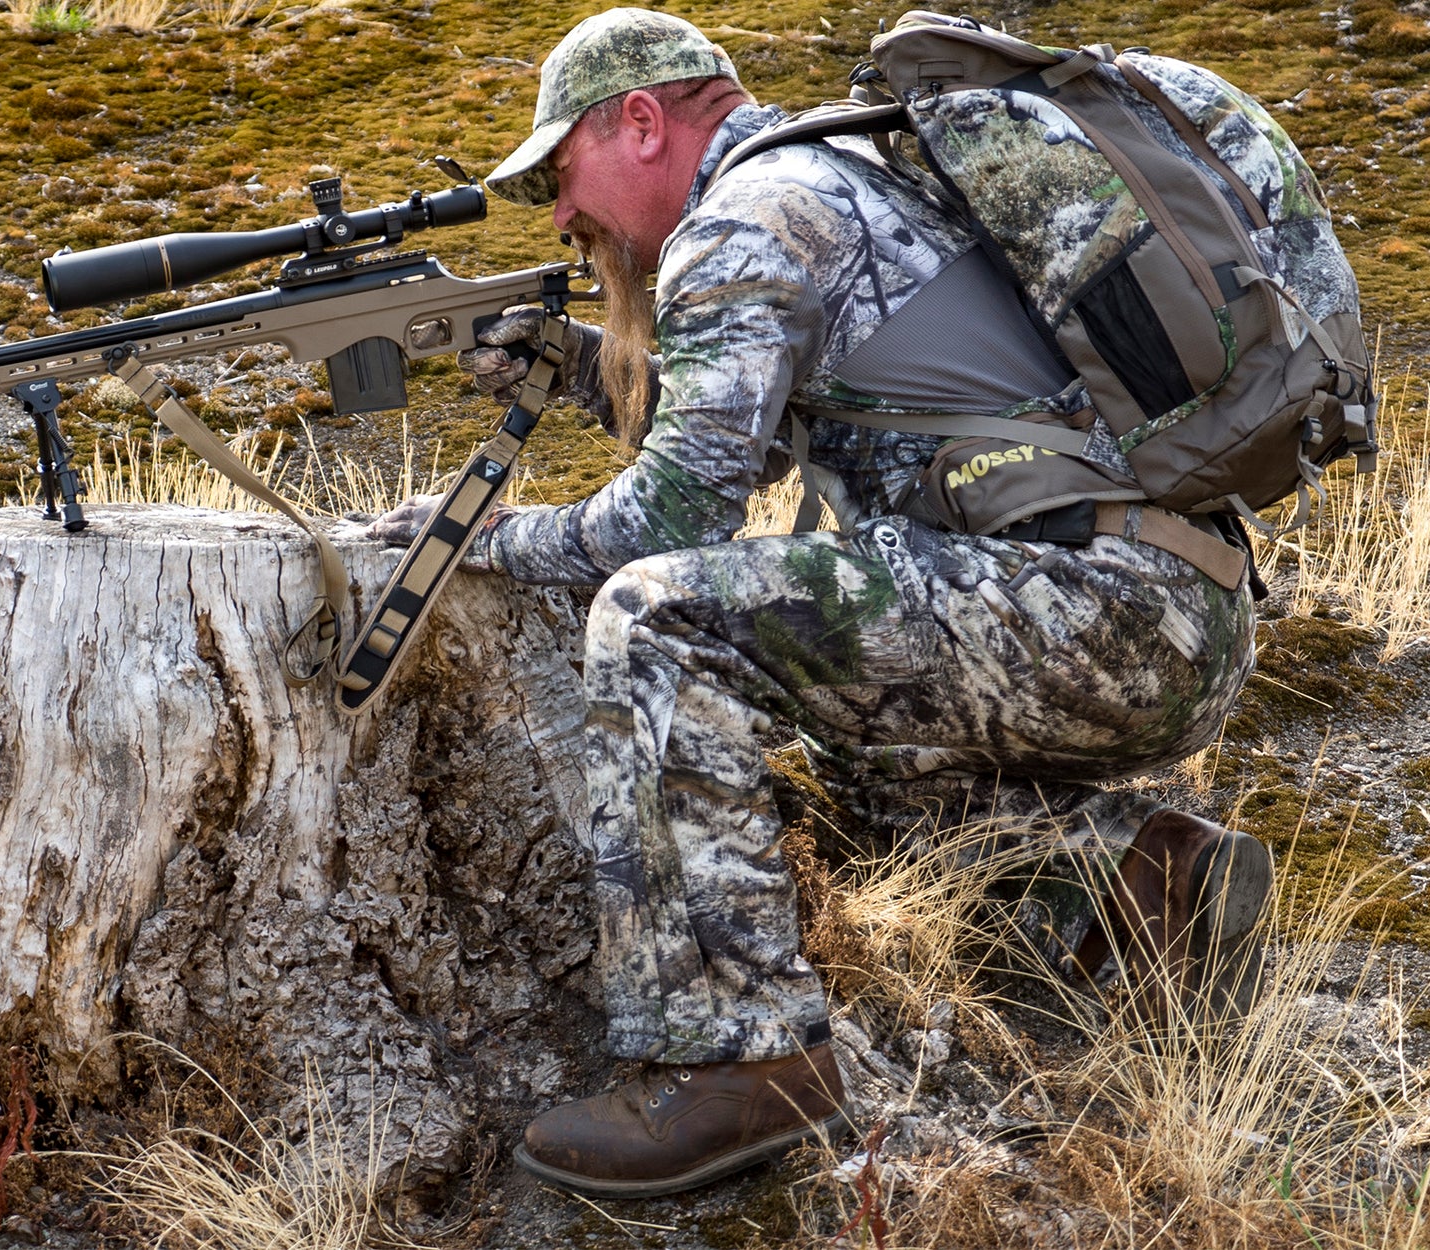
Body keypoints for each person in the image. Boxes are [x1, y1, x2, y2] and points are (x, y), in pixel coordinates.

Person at [371, 7, 1273, 1198]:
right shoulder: (832, 173)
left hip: (1093, 603)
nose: (558, 215)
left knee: (659, 615)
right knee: (812, 720)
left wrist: (495, 538)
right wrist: (579, 359)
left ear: (639, 122)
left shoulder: (747, 217)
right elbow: (752, 432)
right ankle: (1138, 879)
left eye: (559, 172)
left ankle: (740, 1061)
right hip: (1160, 604)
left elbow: (675, 517)